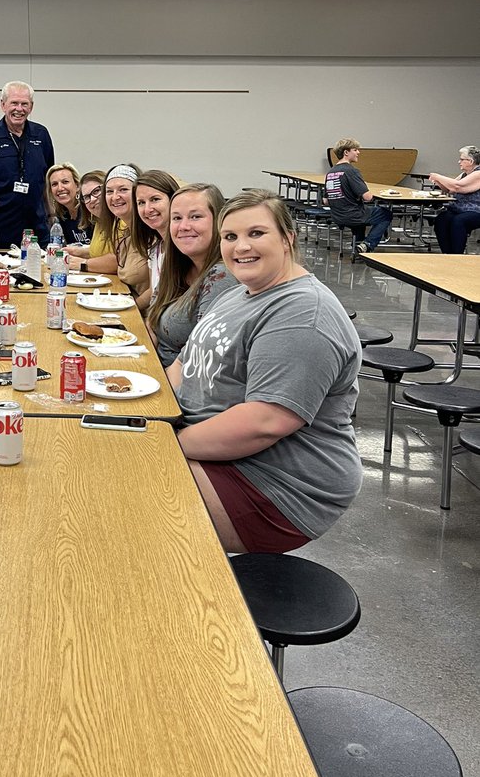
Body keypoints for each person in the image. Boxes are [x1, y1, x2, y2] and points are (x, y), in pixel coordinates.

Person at [176, 190, 363, 555]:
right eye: (230, 236)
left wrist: (167, 445)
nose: (241, 246)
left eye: (256, 233)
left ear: (287, 238)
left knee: (131, 491)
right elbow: (184, 365)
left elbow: (265, 421)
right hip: (221, 452)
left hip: (275, 485)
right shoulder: (240, 293)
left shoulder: (303, 313)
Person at [148, 183, 237, 376]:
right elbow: (152, 316)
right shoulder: (178, 265)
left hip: (176, 386)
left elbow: (200, 357)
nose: (184, 226)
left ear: (219, 221)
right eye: (176, 218)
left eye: (195, 217)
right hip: (154, 369)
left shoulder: (221, 277)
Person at [0, 81, 55, 248]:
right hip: (0, 224)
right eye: (14, 103)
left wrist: (51, 214)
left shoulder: (41, 134)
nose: (19, 109)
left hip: (37, 225)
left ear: (31, 107)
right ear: (3, 105)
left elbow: (48, 177)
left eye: (24, 104)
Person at [325, 138, 393, 256]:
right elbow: (368, 197)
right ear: (346, 152)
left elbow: (325, 200)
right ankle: (367, 244)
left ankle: (357, 246)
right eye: (355, 150)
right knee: (385, 214)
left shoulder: (330, 173)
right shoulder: (351, 171)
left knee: (362, 214)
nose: (358, 152)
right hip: (353, 215)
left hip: (337, 216)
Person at [128, 169, 179, 307]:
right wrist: (128, 309)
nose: (147, 209)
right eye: (141, 203)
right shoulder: (155, 248)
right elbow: (153, 291)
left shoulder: (184, 248)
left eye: (155, 199)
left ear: (173, 199)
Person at [97, 163, 149, 297]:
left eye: (123, 190)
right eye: (109, 191)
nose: (115, 197)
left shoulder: (153, 235)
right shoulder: (125, 235)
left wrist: (135, 305)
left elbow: (159, 289)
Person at [429, 146, 480, 254]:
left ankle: (457, 255)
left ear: (470, 161)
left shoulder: (478, 173)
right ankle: (448, 254)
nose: (459, 162)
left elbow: (457, 186)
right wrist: (438, 182)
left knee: (458, 221)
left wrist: (438, 176)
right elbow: (450, 189)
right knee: (441, 219)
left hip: (476, 211)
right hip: (460, 209)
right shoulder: (464, 174)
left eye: (462, 159)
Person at [64, 170, 117, 274]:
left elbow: (119, 260)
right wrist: (77, 252)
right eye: (87, 197)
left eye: (96, 191)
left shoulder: (121, 220)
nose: (92, 199)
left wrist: (82, 263)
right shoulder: (99, 221)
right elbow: (99, 252)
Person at [44, 163, 89, 245]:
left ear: (77, 186)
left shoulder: (89, 208)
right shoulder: (61, 215)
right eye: (54, 184)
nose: (60, 188)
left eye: (65, 182)